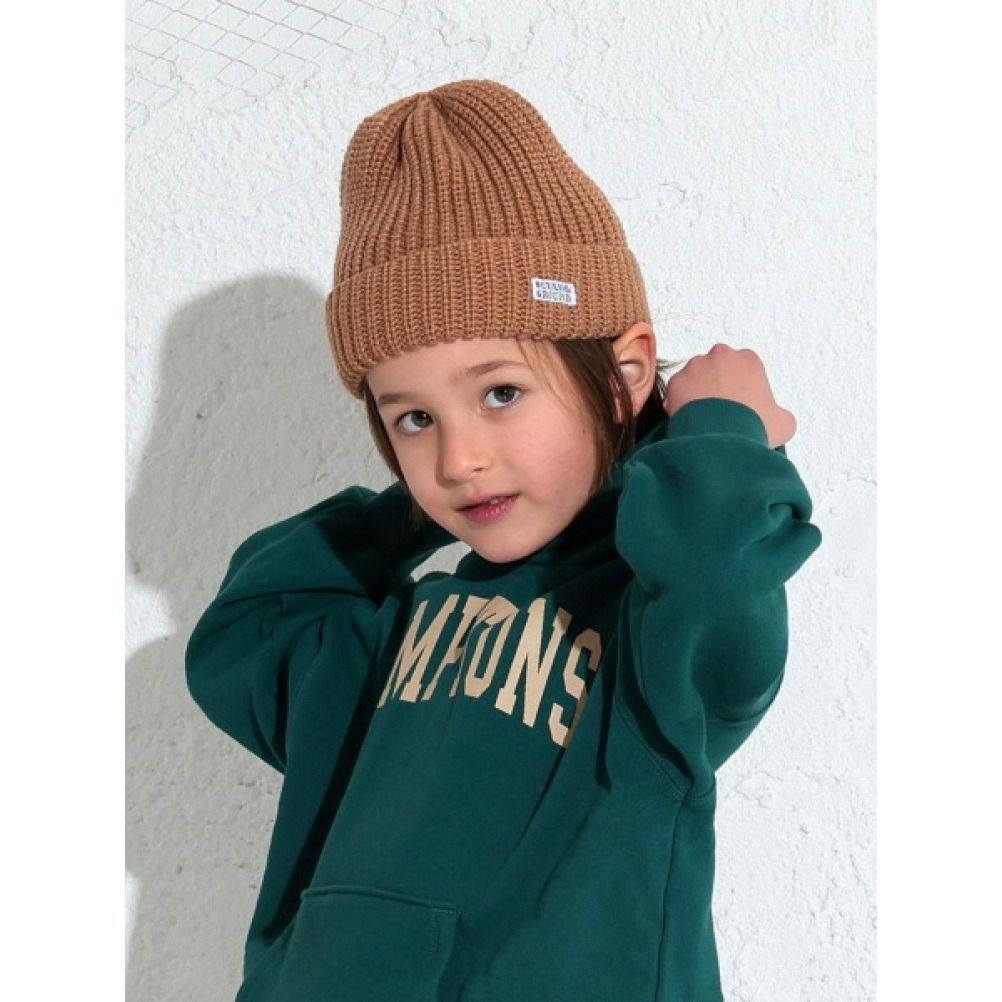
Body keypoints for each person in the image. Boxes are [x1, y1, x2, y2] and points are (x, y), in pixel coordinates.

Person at [184, 78, 823, 1002]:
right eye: (413, 419)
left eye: (500, 393)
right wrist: (413, 509)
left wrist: (717, 431)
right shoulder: (391, 636)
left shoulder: (656, 635)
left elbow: (720, 571)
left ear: (625, 374)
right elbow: (243, 636)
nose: (460, 458)